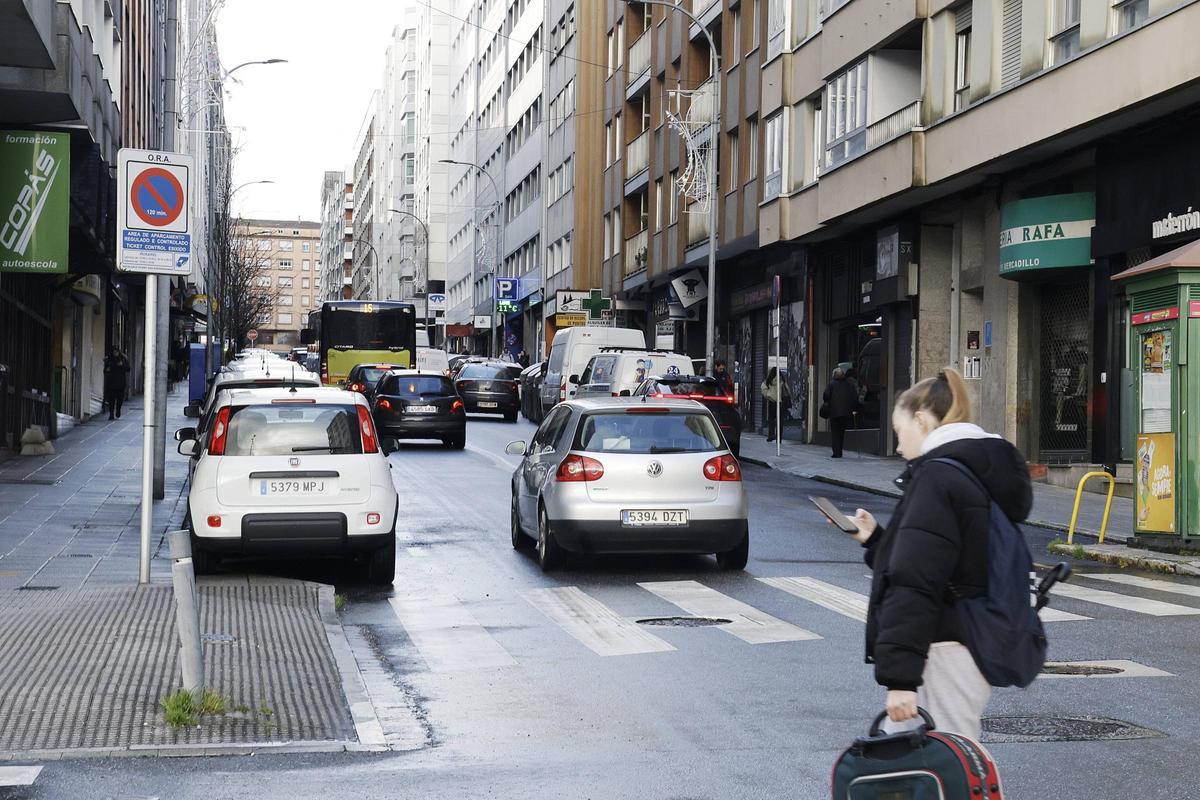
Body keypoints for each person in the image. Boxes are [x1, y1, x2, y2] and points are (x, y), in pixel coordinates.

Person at [846, 367, 1032, 740]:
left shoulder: (938, 478)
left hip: (943, 651)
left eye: (899, 434)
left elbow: (915, 581)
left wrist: (900, 679)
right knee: (941, 766)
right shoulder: (967, 470)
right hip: (960, 647)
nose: (898, 447)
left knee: (949, 767)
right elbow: (947, 562)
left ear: (920, 419)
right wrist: (877, 541)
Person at [822, 368, 860, 458]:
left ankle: (836, 452)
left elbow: (826, 396)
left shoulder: (831, 384)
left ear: (834, 375)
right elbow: (855, 398)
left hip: (834, 412)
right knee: (841, 432)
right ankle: (840, 450)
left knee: (835, 432)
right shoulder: (849, 385)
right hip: (846, 412)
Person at [760, 366, 790, 442]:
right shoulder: (782, 380)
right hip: (781, 403)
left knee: (771, 419)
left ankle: (771, 435)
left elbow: (763, 389)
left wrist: (769, 396)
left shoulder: (769, 380)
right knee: (780, 421)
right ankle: (779, 438)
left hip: (772, 402)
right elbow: (787, 391)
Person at [103, 347, 131, 420]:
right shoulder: (109, 359)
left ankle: (118, 410)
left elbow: (128, 369)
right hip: (111, 384)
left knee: (120, 399)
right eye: (114, 352)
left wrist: (122, 365)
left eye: (116, 352)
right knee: (111, 400)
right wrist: (108, 369)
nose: (115, 353)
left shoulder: (123, 359)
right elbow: (105, 370)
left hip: (120, 383)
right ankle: (111, 414)